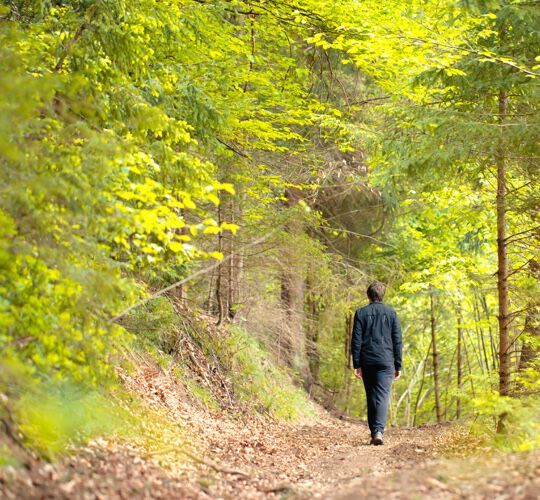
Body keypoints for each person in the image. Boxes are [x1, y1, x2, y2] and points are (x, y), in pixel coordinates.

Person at [351, 282, 402, 445]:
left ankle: (375, 431)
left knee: (372, 396)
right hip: (386, 361)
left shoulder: (361, 313)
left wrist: (357, 364)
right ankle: (378, 431)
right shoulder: (392, 313)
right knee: (382, 396)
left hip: (367, 360)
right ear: (382, 295)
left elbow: (356, 340)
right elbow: (397, 341)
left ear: (368, 295)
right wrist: (398, 365)